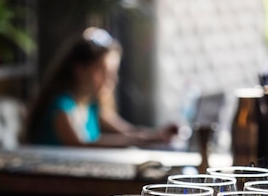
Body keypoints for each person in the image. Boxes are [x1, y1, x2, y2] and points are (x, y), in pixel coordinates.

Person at [24, 27, 178, 147]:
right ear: (80, 70)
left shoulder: (91, 106)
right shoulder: (61, 107)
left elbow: (127, 131)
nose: (111, 79)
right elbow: (80, 146)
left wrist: (158, 135)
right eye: (103, 71)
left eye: (113, 72)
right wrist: (138, 140)